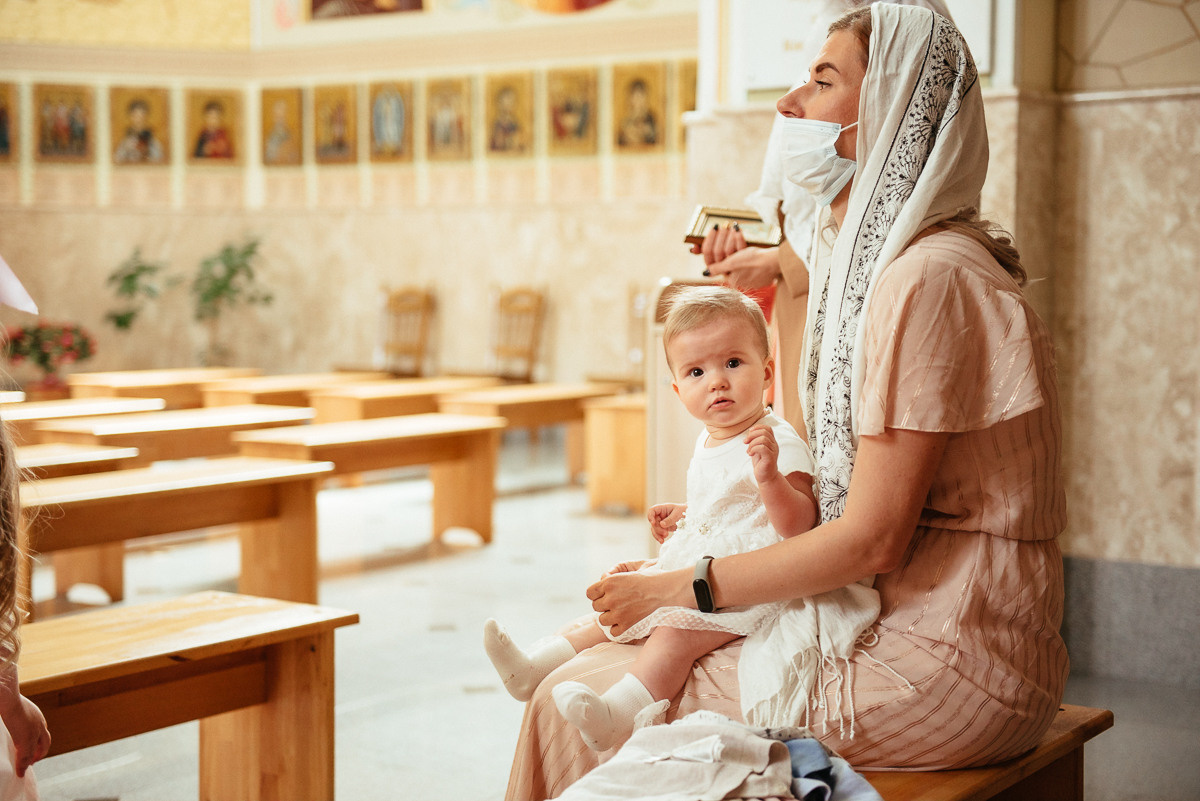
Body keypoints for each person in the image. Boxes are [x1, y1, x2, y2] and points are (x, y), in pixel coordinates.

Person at [507, 5, 1068, 797]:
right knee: (612, 666)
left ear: (893, 109)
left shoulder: (926, 276)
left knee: (577, 703)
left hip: (953, 653)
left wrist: (687, 581)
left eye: (822, 80)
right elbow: (809, 450)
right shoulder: (886, 264)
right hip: (903, 612)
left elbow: (869, 539)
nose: (788, 104)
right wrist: (713, 534)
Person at [487, 285, 825, 753]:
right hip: (706, 563)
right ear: (678, 389)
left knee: (675, 633)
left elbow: (800, 527)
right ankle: (534, 667)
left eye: (733, 363)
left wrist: (771, 480)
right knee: (610, 612)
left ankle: (621, 714)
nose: (716, 381)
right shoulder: (710, 440)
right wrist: (686, 517)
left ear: (766, 374)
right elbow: (729, 504)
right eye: (696, 371)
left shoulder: (776, 440)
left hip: (750, 584)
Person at [694, 0, 950, 435]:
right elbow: (786, 191)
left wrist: (782, 260)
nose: (789, 105)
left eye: (822, 84)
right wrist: (749, 239)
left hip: (828, 275)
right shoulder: (831, 24)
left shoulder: (898, 25)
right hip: (807, 284)